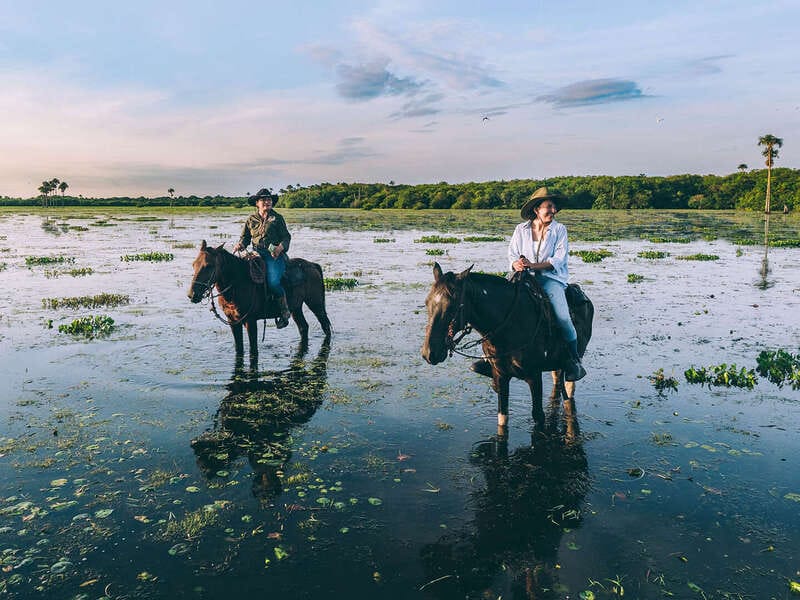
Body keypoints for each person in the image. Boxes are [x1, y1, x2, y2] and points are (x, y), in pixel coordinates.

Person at [471, 187, 586, 381]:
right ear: (536, 210)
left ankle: (574, 361)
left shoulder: (559, 230)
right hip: (522, 277)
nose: (553, 211)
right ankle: (488, 359)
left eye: (554, 207)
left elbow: (558, 259)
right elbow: (512, 254)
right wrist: (516, 264)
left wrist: (533, 265)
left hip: (550, 279)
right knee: (499, 308)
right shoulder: (520, 229)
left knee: (563, 318)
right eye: (549, 207)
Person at [232, 188, 292, 328]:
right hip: (255, 253)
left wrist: (280, 248)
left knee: (273, 282)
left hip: (273, 255)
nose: (267, 202)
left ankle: (284, 311)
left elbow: (286, 237)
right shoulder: (251, 219)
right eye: (264, 200)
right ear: (257, 203)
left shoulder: (277, 218)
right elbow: (245, 237)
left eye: (269, 199)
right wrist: (240, 244)